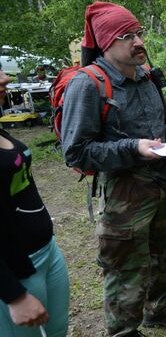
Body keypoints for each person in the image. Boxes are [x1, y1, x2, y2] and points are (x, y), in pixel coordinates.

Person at [61, 1, 166, 336]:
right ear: (108, 43)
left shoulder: (145, 76)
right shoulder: (87, 84)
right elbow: (76, 152)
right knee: (125, 266)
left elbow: (159, 122)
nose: (139, 41)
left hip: (162, 183)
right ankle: (123, 330)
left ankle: (158, 309)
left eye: (139, 33)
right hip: (125, 195)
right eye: (128, 35)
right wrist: (133, 147)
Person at [0, 70, 69, 337]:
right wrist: (14, 295)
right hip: (15, 270)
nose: (5, 78)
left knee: (57, 330)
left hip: (46, 252)